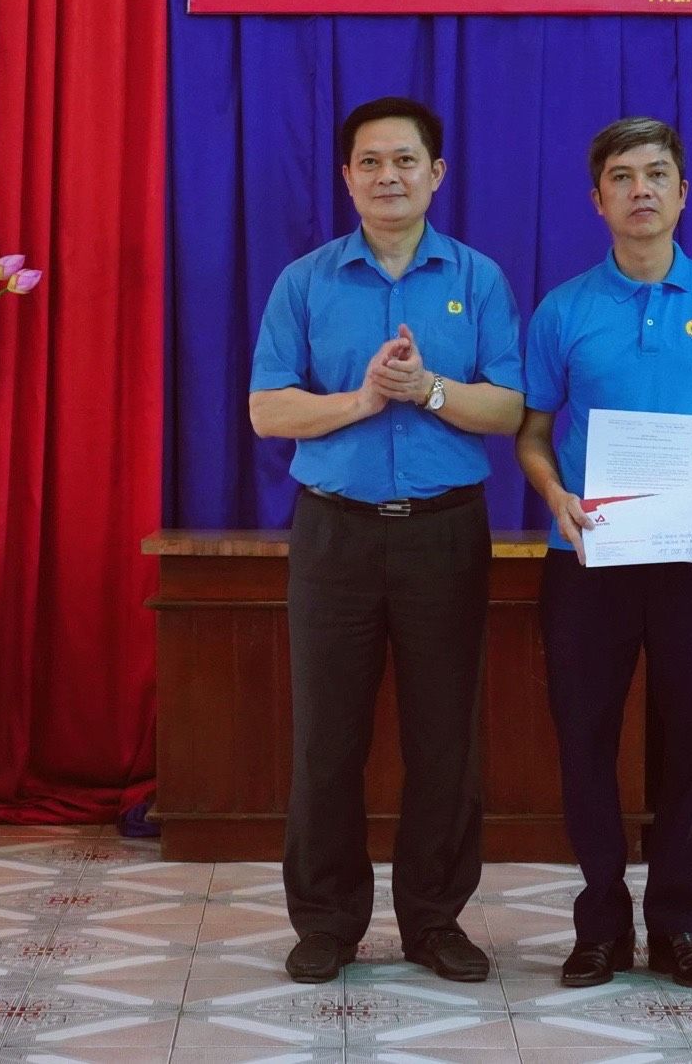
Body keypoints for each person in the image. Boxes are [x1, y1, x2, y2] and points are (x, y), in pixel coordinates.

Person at [250, 97, 525, 985]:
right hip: (335, 534)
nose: (387, 177)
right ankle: (327, 922)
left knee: (445, 739)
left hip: (444, 535)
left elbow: (509, 408)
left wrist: (427, 389)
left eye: (405, 160)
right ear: (346, 178)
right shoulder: (305, 282)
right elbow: (267, 410)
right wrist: (365, 400)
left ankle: (434, 921)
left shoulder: (479, 279)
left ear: (436, 174)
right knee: (326, 738)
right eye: (369, 162)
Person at [515, 116, 692, 991]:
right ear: (597, 200)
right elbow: (532, 433)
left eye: (656, 174)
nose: (640, 190)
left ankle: (678, 925)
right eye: (622, 177)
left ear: (682, 192)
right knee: (584, 739)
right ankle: (599, 925)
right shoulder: (562, 309)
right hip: (588, 557)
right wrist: (553, 494)